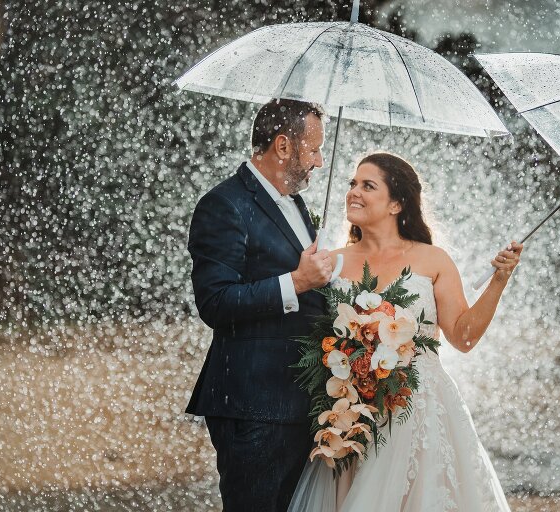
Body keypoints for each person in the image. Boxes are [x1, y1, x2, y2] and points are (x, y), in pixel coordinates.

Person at [288, 152, 523, 511]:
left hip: (420, 412)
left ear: (397, 203)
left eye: (368, 186)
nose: (354, 192)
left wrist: (498, 281)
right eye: (353, 184)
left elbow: (463, 337)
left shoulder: (433, 259)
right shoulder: (328, 262)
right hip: (353, 414)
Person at [186, 98, 335, 512]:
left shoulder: (296, 204)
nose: (320, 162)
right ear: (283, 147)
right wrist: (296, 282)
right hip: (255, 404)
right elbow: (215, 302)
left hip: (300, 401)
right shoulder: (225, 205)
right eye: (314, 149)